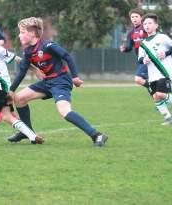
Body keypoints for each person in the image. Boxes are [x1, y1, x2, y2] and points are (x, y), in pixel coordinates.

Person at [7, 17, 108, 147]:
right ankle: (27, 132)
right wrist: (11, 90)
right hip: (47, 82)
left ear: (32, 33)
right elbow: (22, 72)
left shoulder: (48, 45)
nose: (19, 35)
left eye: (21, 32)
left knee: (64, 111)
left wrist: (75, 77)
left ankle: (97, 135)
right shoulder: (28, 52)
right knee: (19, 98)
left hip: (60, 81)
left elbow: (66, 56)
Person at [138, 13, 172, 125]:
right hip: (152, 75)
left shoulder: (162, 37)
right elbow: (140, 59)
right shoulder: (143, 44)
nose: (147, 25)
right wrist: (144, 60)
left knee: (161, 94)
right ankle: (168, 118)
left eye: (149, 23)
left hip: (164, 73)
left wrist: (166, 53)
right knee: (156, 97)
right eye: (145, 24)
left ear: (156, 25)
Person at [120, 8, 149, 91]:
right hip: (140, 60)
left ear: (141, 17)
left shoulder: (146, 28)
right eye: (132, 17)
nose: (134, 19)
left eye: (136, 16)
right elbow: (129, 47)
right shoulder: (131, 33)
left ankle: (155, 88)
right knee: (155, 93)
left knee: (138, 79)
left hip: (149, 59)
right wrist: (124, 49)